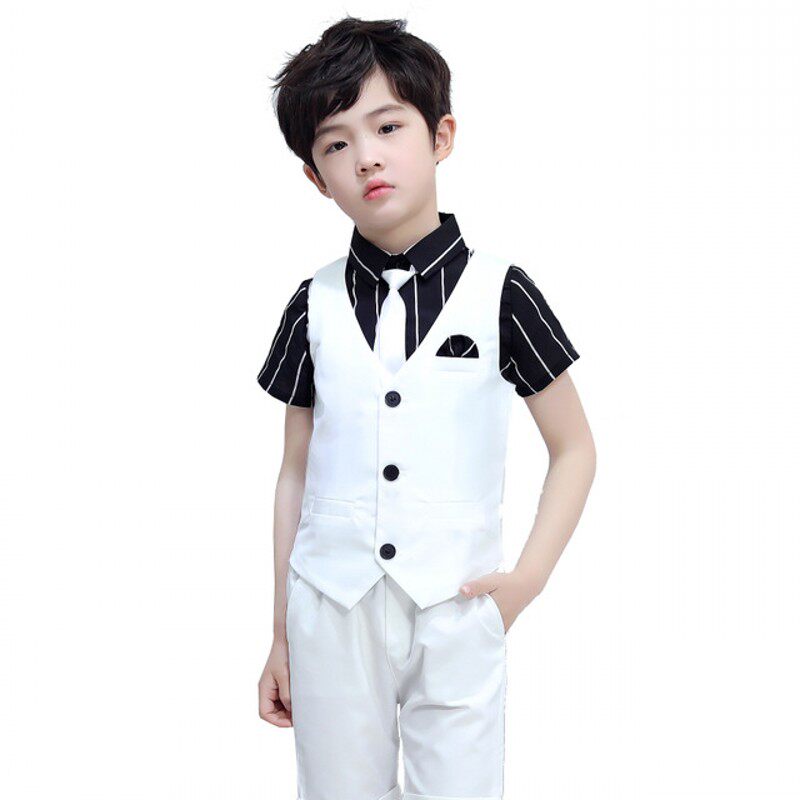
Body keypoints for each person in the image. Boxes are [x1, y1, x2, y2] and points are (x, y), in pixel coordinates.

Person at [256, 16, 596, 800]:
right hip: (330, 608)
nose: (366, 156)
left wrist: (527, 581)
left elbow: (575, 446)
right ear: (315, 177)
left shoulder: (502, 292)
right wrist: (280, 631)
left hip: (457, 607)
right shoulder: (312, 304)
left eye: (387, 127)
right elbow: (294, 472)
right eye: (336, 144)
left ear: (440, 135)